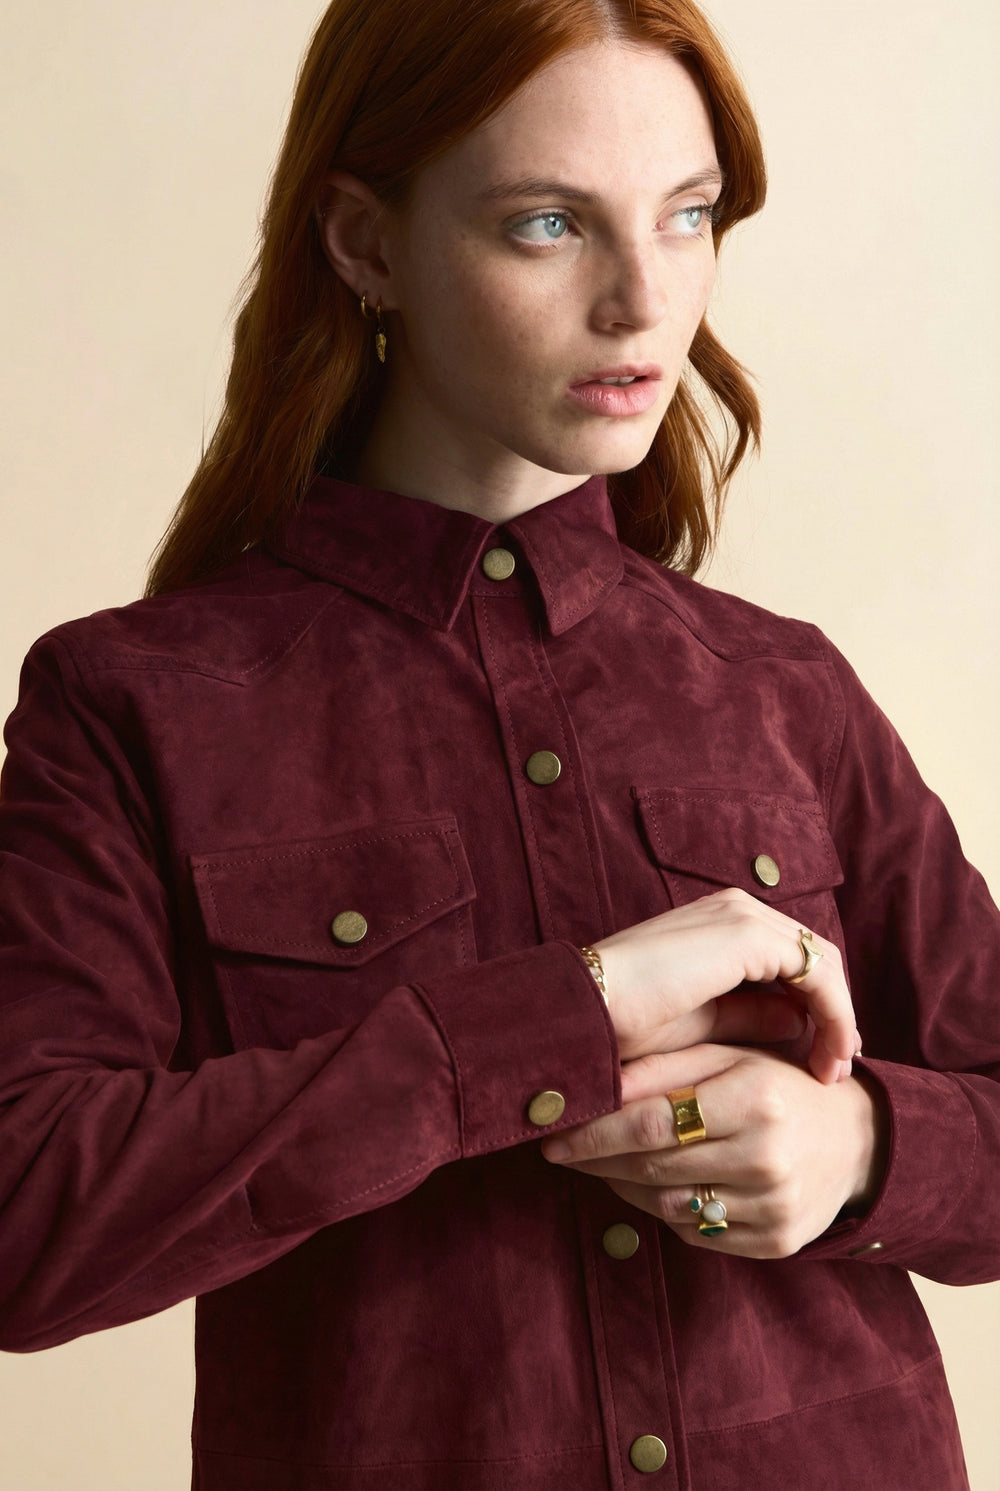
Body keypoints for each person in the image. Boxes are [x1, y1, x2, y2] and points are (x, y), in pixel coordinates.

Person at [0, 0, 997, 1487]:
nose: (644, 302)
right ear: (365, 241)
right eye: (548, 225)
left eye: (689, 216)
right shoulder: (133, 702)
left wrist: (861, 1153)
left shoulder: (784, 687)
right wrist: (562, 1018)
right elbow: (29, 1221)